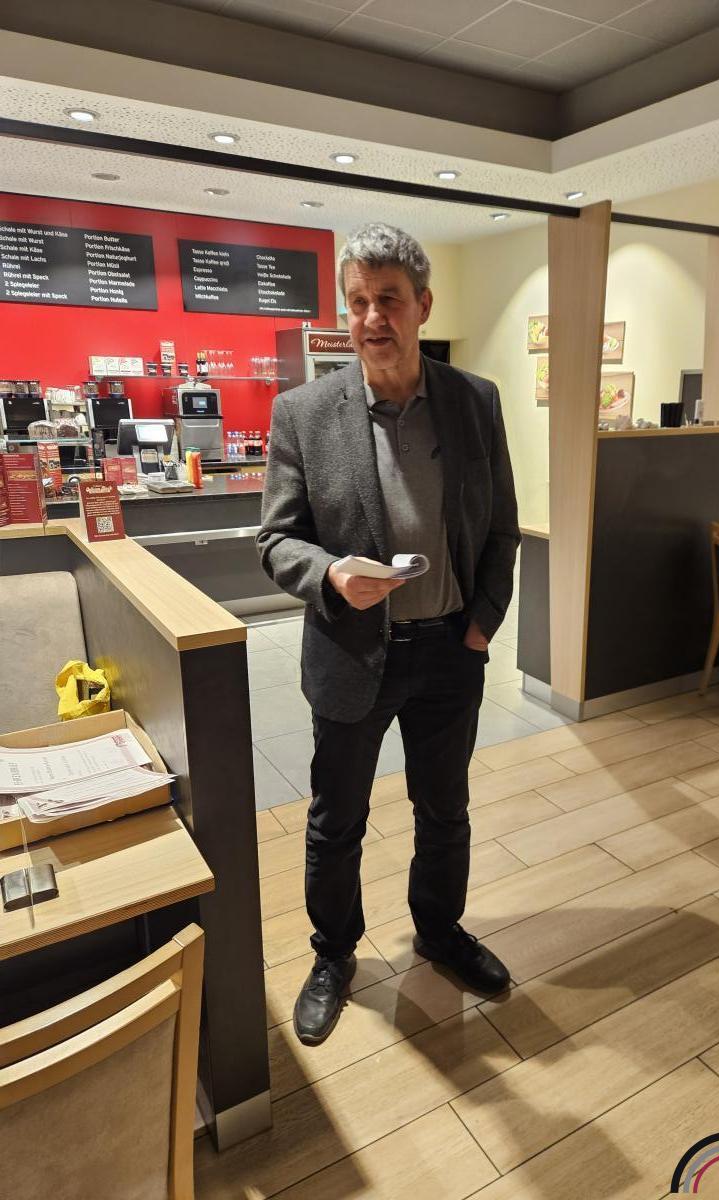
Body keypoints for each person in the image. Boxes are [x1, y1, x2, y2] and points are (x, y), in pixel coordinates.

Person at [257, 222, 520, 1045]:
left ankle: (440, 932)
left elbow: (502, 526)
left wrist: (481, 625)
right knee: (336, 820)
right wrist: (332, 574)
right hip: (350, 652)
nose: (373, 317)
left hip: (449, 651)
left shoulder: (474, 401)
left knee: (445, 811)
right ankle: (333, 955)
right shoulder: (303, 412)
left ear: (422, 305)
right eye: (359, 301)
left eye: (390, 299)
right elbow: (276, 540)